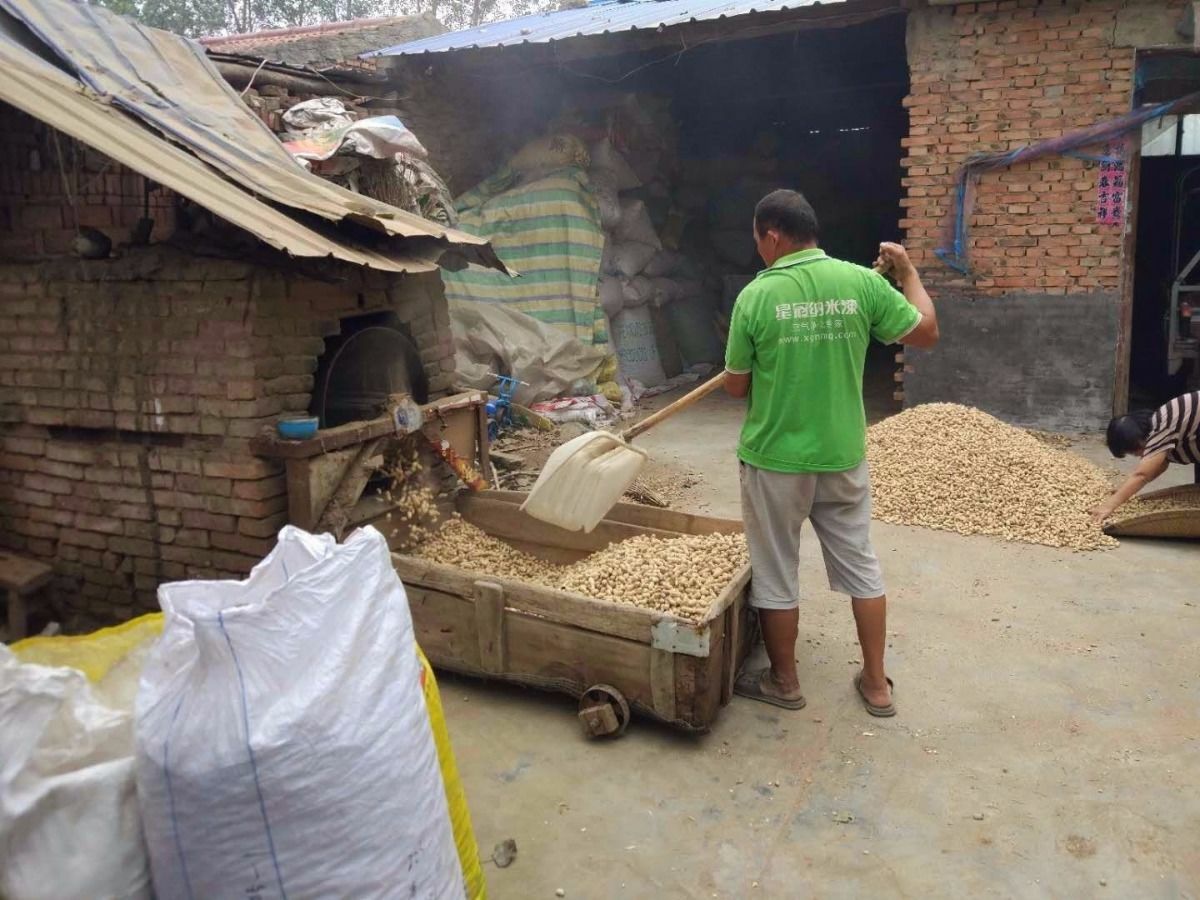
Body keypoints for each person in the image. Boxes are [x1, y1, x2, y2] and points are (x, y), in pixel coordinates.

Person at [724, 189, 939, 717]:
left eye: (757, 240)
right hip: (842, 456)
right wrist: (907, 273)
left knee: (776, 573)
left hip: (774, 460)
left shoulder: (756, 296)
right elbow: (926, 331)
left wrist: (748, 366)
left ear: (772, 235)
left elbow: (735, 387)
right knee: (862, 567)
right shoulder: (861, 283)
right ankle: (876, 683)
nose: (758, 250)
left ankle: (785, 682)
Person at [1091, 391, 1200, 523]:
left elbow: (1142, 475)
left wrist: (1108, 506)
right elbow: (1160, 465)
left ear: (1139, 439)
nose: (1139, 455)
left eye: (1135, 450)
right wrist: (1123, 491)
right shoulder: (1163, 428)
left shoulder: (1163, 424)